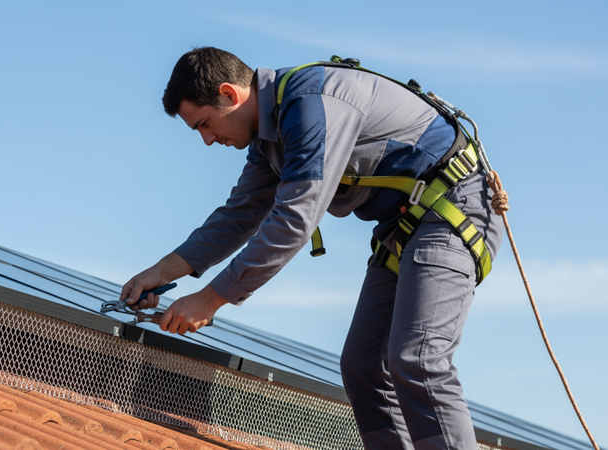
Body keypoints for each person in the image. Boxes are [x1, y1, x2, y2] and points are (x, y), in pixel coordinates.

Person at [119, 46, 503, 450]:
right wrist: (160, 273)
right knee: (362, 365)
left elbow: (294, 220)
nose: (208, 140)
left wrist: (211, 299)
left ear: (230, 95)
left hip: (454, 211)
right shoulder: (271, 139)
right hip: (404, 228)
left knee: (418, 358)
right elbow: (238, 215)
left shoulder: (311, 105)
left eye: (205, 124)